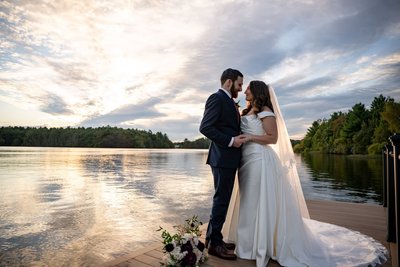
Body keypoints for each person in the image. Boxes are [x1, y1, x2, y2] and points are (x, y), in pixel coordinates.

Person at [222, 80, 387, 267]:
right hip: (246, 161)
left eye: (249, 89)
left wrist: (250, 137)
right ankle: (248, 242)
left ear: (257, 91)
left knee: (261, 200)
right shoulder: (247, 110)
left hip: (260, 160)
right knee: (249, 201)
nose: (245, 92)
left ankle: (263, 244)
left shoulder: (266, 111)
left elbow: (273, 138)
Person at [199, 68, 245, 260]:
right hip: (222, 158)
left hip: (227, 159)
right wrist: (231, 141)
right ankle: (215, 245)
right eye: (239, 84)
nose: (241, 88)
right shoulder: (216, 98)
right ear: (229, 82)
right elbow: (205, 127)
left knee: (222, 199)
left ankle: (213, 238)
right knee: (221, 199)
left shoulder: (229, 101)